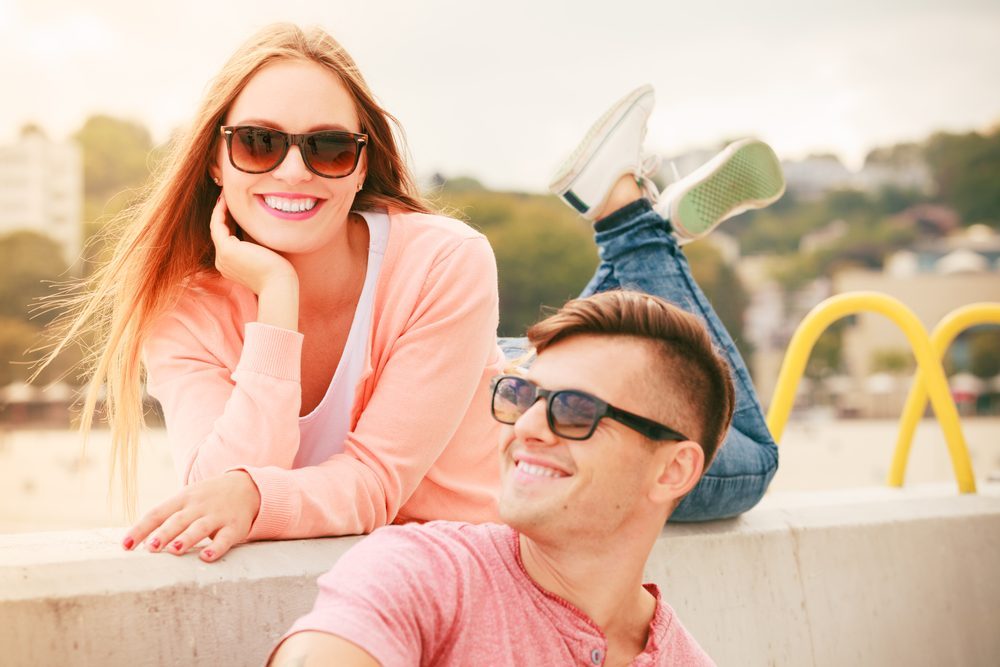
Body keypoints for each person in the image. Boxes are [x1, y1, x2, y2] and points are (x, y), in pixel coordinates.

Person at [266, 86, 782, 666]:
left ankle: (634, 225)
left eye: (577, 411)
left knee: (736, 446)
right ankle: (634, 224)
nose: (530, 426)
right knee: (753, 457)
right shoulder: (422, 574)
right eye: (522, 397)